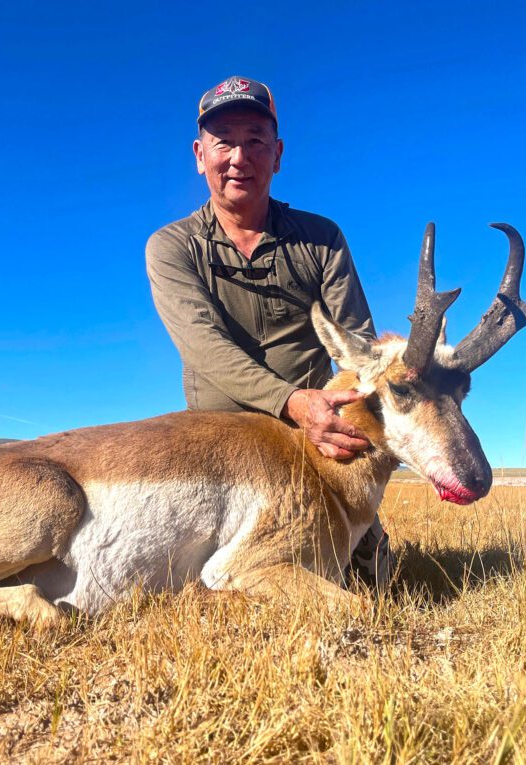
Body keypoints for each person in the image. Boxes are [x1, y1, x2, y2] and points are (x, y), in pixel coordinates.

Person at [145, 75, 390, 588]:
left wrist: (392, 362)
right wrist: (290, 401)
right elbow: (204, 348)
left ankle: (360, 538)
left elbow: (357, 349)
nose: (239, 156)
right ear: (199, 154)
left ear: (277, 154)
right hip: (220, 439)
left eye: (255, 140)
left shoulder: (321, 239)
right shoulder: (171, 247)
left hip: (310, 437)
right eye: (223, 141)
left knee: (374, 580)